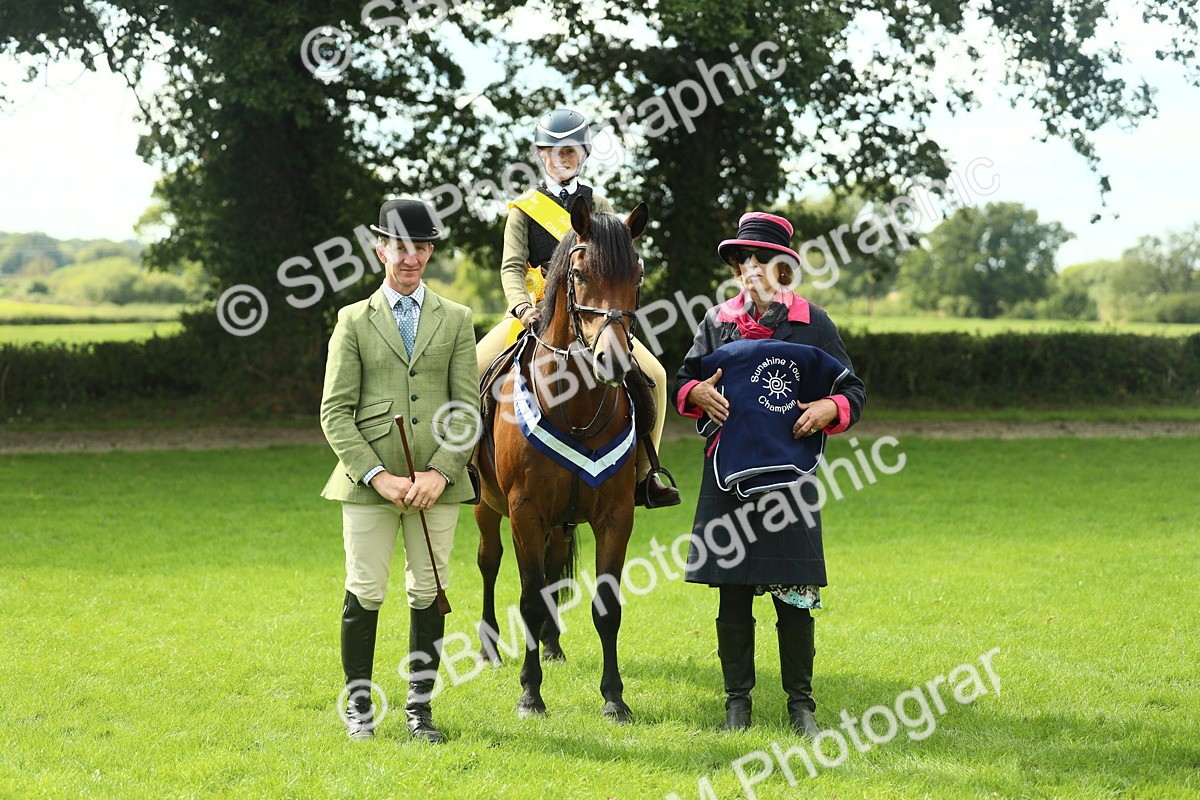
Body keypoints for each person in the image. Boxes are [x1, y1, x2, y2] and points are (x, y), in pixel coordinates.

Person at [673, 211, 866, 735]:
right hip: (728, 473)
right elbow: (683, 382)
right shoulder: (716, 321)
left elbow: (852, 389)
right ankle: (738, 703)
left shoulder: (814, 323)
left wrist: (830, 409)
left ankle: (801, 705)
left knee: (794, 594)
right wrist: (696, 393)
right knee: (733, 590)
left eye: (764, 259)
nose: (752, 268)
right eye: (744, 260)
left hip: (791, 479)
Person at [320, 198, 479, 743]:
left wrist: (440, 472)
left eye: (421, 247)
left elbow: (467, 408)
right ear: (380, 248)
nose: (410, 258)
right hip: (370, 485)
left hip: (437, 485)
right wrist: (378, 476)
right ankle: (359, 706)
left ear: (430, 251)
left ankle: (420, 709)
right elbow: (334, 412)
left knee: (430, 589)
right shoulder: (352, 320)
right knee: (365, 589)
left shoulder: (457, 319)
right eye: (400, 247)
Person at [475, 107, 679, 508]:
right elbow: (511, 267)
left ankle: (646, 475)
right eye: (554, 150)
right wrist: (520, 308)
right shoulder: (523, 210)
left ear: (584, 154)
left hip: (593, 317)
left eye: (571, 150)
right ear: (540, 155)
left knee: (654, 372)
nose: (563, 157)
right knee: (473, 366)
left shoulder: (600, 205)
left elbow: (616, 262)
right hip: (532, 314)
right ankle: (466, 468)